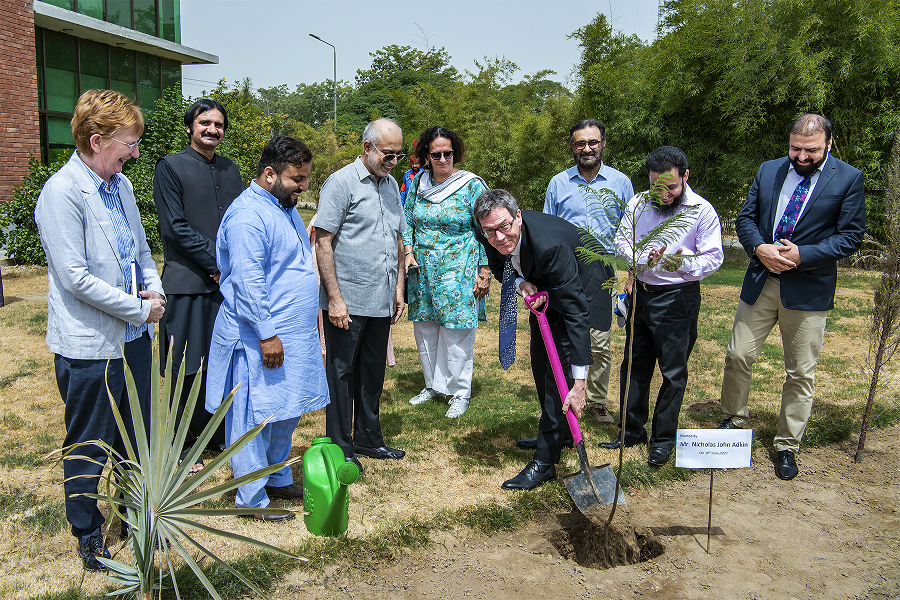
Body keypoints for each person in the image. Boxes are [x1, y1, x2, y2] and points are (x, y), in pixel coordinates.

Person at [34, 89, 165, 570]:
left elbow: (141, 252)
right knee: (89, 444)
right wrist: (138, 309)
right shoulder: (62, 192)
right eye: (129, 143)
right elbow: (75, 278)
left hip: (134, 342)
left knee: (137, 439)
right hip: (91, 348)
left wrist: (155, 289)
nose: (135, 153)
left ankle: (137, 517)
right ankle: (88, 531)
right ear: (96, 140)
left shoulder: (121, 186)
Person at [718, 114, 865, 481]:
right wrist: (758, 247)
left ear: (828, 144)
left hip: (808, 288)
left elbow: (850, 236)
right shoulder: (768, 170)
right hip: (761, 280)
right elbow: (746, 218)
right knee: (738, 355)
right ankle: (734, 422)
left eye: (810, 150)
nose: (801, 156)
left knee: (800, 371)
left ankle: (787, 445)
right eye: (795, 148)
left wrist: (803, 255)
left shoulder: (848, 179)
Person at [206, 135, 328, 520]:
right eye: (297, 179)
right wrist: (267, 334)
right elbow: (248, 280)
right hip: (258, 337)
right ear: (270, 174)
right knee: (253, 416)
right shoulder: (248, 215)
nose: (303, 187)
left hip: (292, 335)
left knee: (285, 409)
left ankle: (276, 478)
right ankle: (251, 498)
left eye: (306, 178)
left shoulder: (282, 205)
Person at [474, 189, 615, 490]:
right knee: (541, 360)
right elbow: (499, 267)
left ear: (518, 216)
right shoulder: (490, 232)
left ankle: (545, 461)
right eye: (490, 231)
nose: (499, 237)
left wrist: (579, 385)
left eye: (504, 227)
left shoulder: (550, 246)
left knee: (559, 375)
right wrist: (522, 282)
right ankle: (560, 434)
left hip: (584, 282)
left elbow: (575, 312)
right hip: (544, 283)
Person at [601, 146, 723, 468]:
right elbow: (621, 242)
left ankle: (663, 439)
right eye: (657, 187)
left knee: (672, 371)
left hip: (677, 298)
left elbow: (713, 258)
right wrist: (644, 257)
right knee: (634, 364)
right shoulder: (638, 203)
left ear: (686, 176)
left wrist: (680, 263)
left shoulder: (702, 211)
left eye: (671, 187)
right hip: (641, 294)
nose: (664, 194)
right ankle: (631, 431)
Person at [153, 99, 244, 470]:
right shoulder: (170, 167)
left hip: (226, 288)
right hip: (187, 284)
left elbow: (240, 220)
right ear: (190, 127)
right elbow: (174, 227)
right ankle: (183, 446)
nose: (212, 129)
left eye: (218, 124)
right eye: (205, 122)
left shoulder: (231, 169)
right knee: (186, 368)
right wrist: (217, 262)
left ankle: (218, 435)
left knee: (223, 362)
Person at [316, 118, 408, 469]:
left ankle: (369, 438)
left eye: (398, 155)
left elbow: (396, 239)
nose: (393, 162)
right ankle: (340, 446)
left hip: (381, 298)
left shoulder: (391, 184)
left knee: (372, 371)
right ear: (367, 147)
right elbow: (323, 241)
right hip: (348, 300)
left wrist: (398, 288)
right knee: (341, 373)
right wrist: (334, 298)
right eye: (388, 154)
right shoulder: (340, 183)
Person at [543, 118, 634, 426]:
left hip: (603, 270)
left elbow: (631, 231)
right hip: (564, 270)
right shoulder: (558, 183)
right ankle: (563, 395)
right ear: (572, 146)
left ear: (603, 144)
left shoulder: (621, 183)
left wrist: (631, 275)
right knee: (563, 337)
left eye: (593, 142)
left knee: (599, 339)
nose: (587, 148)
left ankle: (596, 401)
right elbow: (547, 229)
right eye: (580, 143)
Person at [404, 126, 491, 418]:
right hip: (422, 271)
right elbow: (407, 220)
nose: (443, 159)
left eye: (448, 153)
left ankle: (459, 391)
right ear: (426, 156)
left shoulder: (471, 185)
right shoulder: (418, 183)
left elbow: (486, 230)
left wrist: (485, 271)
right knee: (425, 329)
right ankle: (433, 385)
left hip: (459, 269)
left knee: (456, 331)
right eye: (436, 154)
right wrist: (408, 253)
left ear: (456, 153)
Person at [399, 139, 420, 205]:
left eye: (416, 164)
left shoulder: (424, 173)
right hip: (408, 203)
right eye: (412, 164)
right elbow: (403, 190)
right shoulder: (407, 175)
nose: (414, 166)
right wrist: (401, 204)